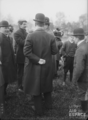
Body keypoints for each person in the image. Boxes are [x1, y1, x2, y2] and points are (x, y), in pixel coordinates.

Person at [23, 13, 58, 116]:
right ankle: (49, 106)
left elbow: (26, 52)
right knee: (47, 84)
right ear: (44, 24)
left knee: (36, 87)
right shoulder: (51, 36)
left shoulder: (30, 35)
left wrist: (38, 59)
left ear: (35, 23)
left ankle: (39, 111)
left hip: (35, 66)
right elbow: (54, 51)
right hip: (47, 65)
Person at [72, 28, 88, 113]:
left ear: (77, 37)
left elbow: (79, 67)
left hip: (84, 77)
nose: (73, 39)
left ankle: (84, 112)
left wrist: (74, 80)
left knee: (83, 94)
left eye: (73, 37)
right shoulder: (86, 45)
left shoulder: (80, 49)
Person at [0, 20, 16, 103]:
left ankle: (4, 94)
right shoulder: (0, 36)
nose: (7, 29)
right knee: (2, 80)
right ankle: (2, 96)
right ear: (0, 28)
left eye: (7, 27)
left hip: (8, 62)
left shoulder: (8, 37)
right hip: (2, 63)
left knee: (6, 79)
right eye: (4, 27)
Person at [14, 20, 27, 91]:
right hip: (20, 55)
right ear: (20, 25)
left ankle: (26, 85)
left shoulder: (26, 32)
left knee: (26, 71)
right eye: (24, 24)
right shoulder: (16, 33)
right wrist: (29, 40)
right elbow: (21, 42)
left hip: (27, 55)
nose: (25, 25)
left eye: (26, 24)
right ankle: (19, 86)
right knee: (20, 72)